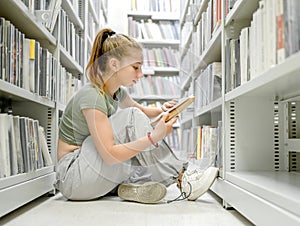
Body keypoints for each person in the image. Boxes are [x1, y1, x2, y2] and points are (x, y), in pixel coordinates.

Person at [55, 28, 218, 203]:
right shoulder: (92, 96)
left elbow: (143, 113)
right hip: (74, 177)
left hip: (94, 173)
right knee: (131, 122)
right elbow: (109, 154)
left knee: (134, 133)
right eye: (135, 67)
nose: (140, 75)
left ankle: (130, 186)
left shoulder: (117, 92)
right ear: (114, 64)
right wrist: (153, 137)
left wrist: (163, 112)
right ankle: (183, 179)